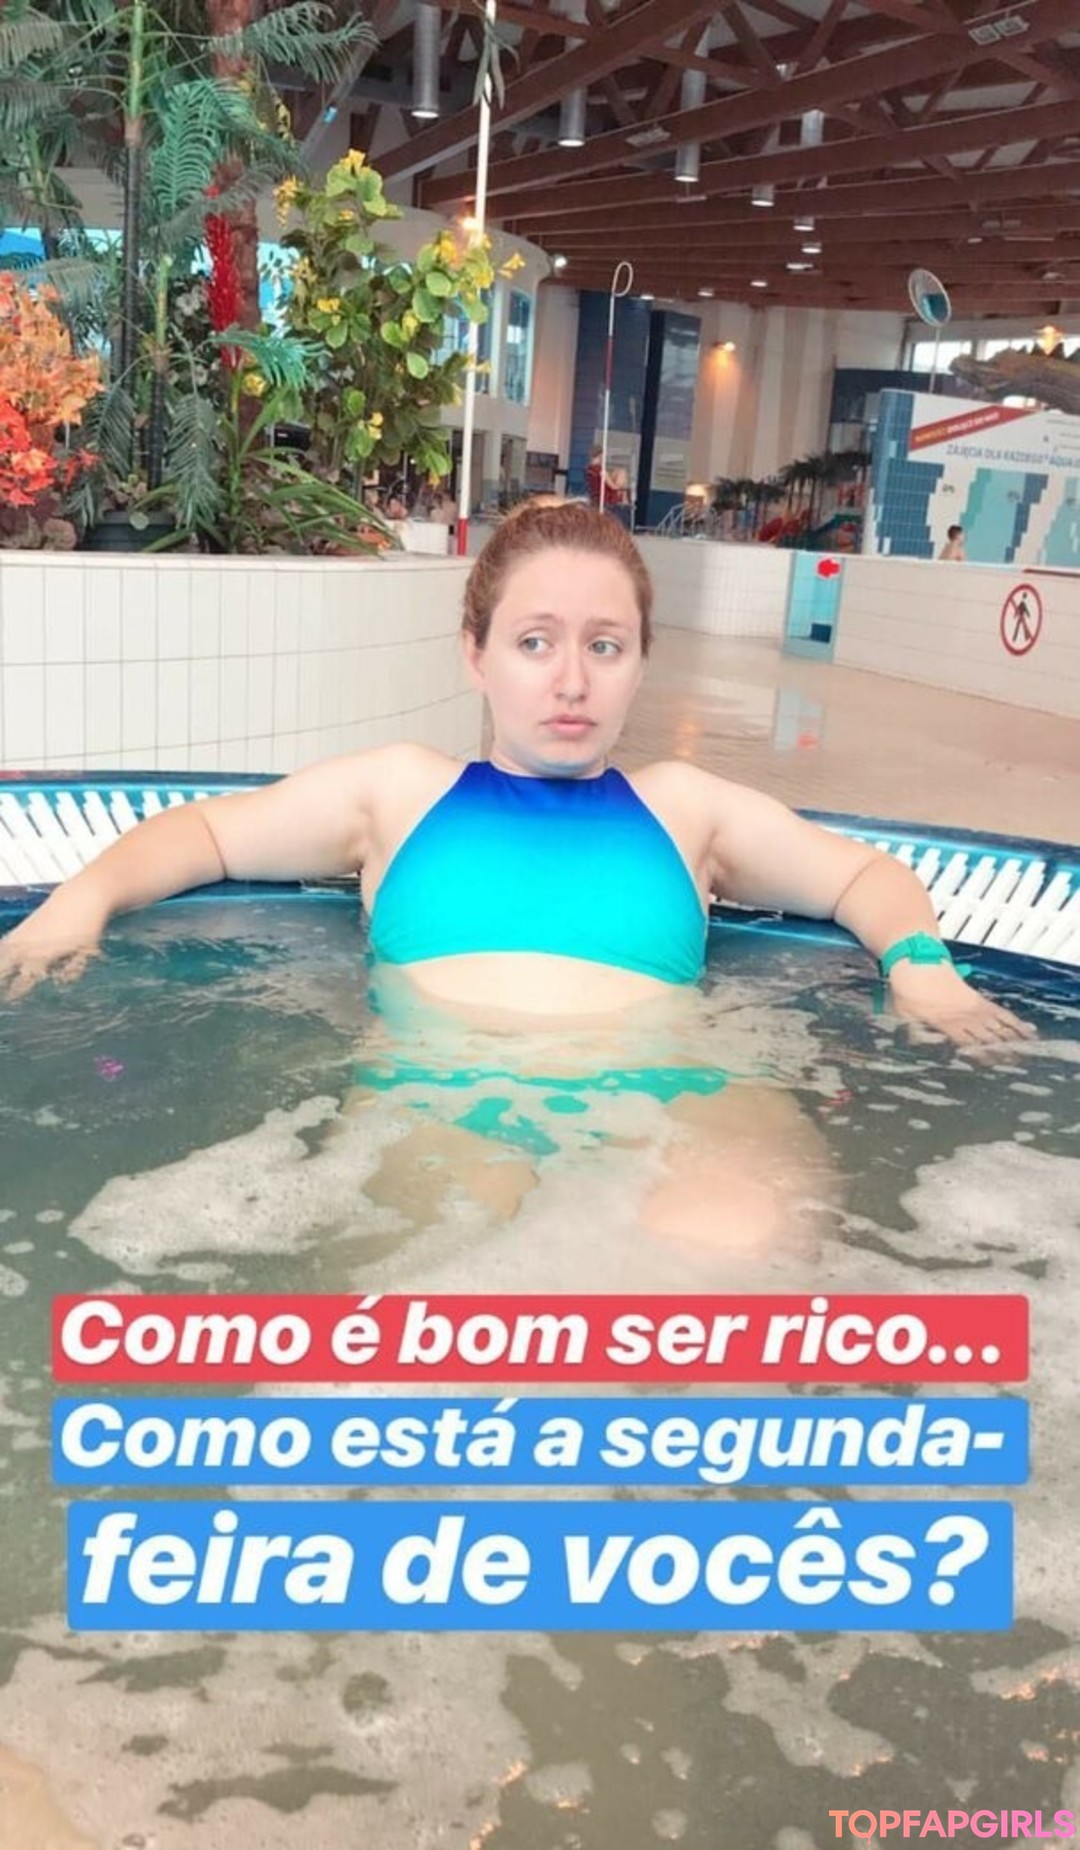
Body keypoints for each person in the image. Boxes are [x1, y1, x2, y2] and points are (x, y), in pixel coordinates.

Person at [0, 503, 1029, 1243]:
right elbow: (205, 834)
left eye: (605, 646)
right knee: (447, 1274)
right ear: (476, 655)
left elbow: (863, 878)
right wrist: (77, 905)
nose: (571, 680)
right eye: (535, 642)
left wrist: (921, 964)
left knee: (733, 1253)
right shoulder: (399, 794)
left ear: (641, 660)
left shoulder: (684, 809)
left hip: (687, 1086)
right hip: (441, 1088)